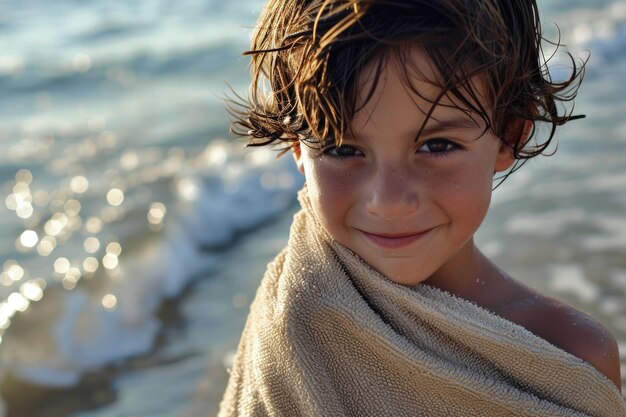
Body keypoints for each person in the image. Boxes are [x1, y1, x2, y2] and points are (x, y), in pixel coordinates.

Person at [219, 0, 626, 415]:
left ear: (509, 133)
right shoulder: (298, 320)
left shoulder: (568, 360)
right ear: (296, 147)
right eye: (343, 148)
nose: (389, 202)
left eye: (437, 145)